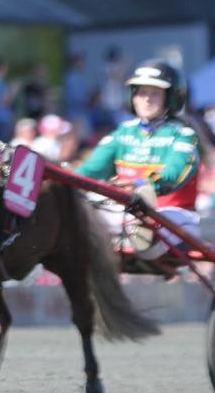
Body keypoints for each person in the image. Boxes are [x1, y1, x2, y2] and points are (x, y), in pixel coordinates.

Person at [77, 58, 201, 260]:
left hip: (173, 218)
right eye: (142, 92)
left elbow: (174, 173)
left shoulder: (184, 135)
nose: (147, 99)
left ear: (170, 97)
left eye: (155, 93)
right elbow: (89, 170)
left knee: (137, 220)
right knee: (82, 207)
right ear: (132, 97)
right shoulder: (122, 133)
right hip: (126, 212)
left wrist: (141, 185)